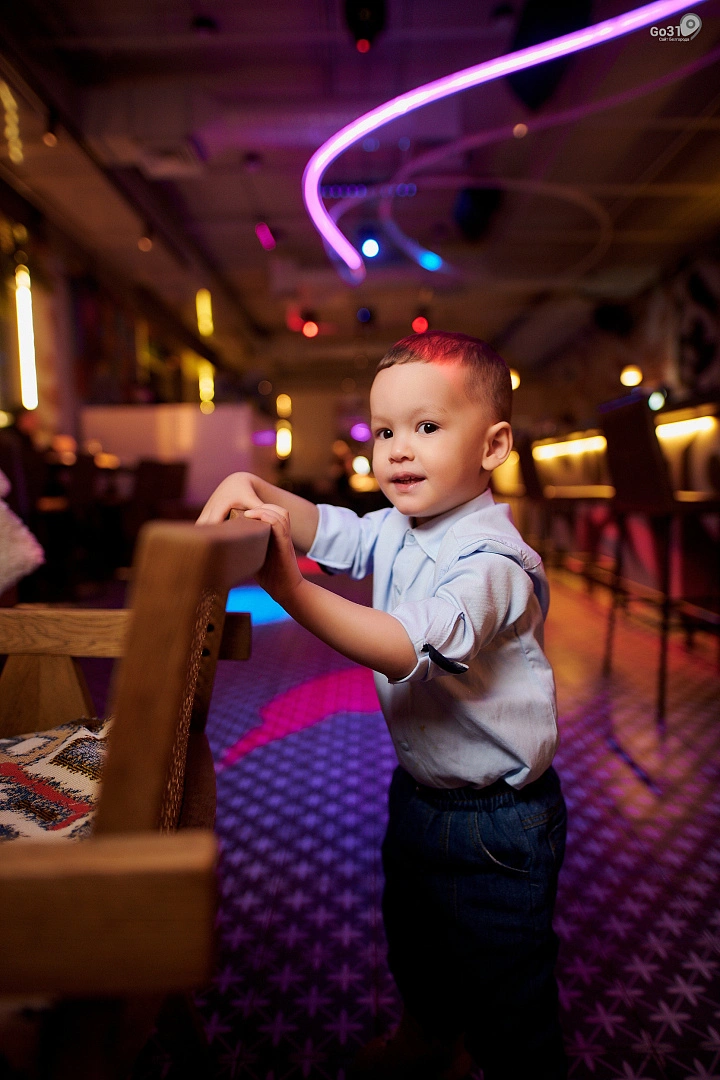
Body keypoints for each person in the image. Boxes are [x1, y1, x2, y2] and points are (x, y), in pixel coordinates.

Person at [198, 330, 567, 1080]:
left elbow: (405, 648)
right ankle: (430, 1037)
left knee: (508, 988)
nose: (397, 451)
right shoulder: (401, 526)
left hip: (499, 821)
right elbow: (330, 527)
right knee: (417, 939)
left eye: (426, 427)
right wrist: (253, 488)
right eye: (384, 431)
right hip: (421, 793)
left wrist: (292, 589)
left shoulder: (492, 562)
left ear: (494, 446)